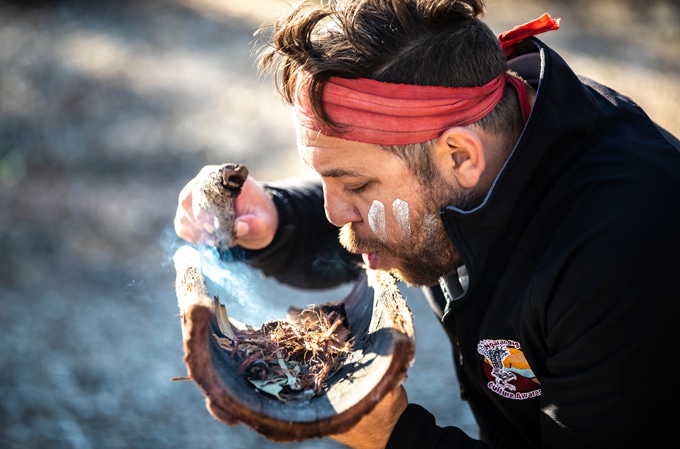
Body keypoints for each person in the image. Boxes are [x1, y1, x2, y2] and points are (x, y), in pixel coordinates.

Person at [174, 0, 680, 447]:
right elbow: (387, 206)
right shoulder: (491, 128)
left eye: (354, 185)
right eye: (324, 179)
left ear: (460, 155)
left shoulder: (623, 255)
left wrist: (394, 438)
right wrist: (277, 215)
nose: (333, 212)